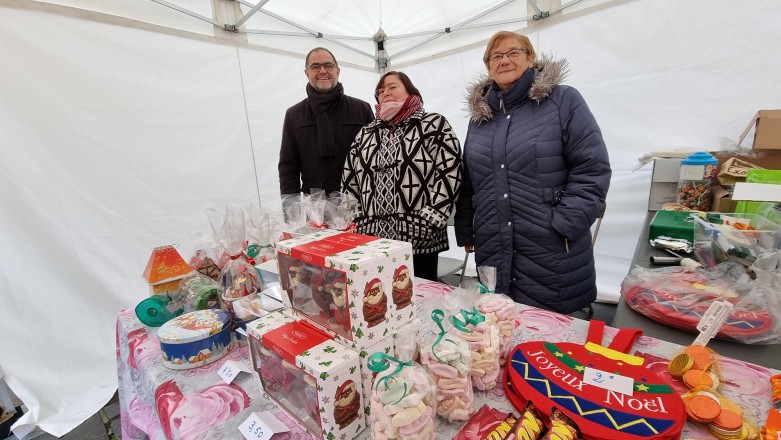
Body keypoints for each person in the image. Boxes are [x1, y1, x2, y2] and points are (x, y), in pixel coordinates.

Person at [454, 31, 611, 314]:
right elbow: (470, 180)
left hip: (551, 247)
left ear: (531, 57)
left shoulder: (562, 100)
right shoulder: (480, 119)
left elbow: (592, 167)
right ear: (488, 65)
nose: (505, 60)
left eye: (514, 52)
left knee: (555, 345)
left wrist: (565, 223)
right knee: (498, 335)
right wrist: (467, 229)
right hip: (492, 241)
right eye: (496, 56)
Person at [342, 71, 463, 281]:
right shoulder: (366, 133)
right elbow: (349, 178)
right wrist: (355, 219)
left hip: (419, 236)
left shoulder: (433, 124)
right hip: (372, 239)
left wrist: (430, 220)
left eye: (392, 87)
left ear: (410, 91)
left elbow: (451, 171)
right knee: (377, 298)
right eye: (380, 90)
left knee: (419, 299)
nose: (385, 92)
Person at [278, 47, 374, 196]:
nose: (322, 71)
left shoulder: (361, 109)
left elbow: (375, 158)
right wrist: (292, 213)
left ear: (338, 71)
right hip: (316, 208)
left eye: (328, 65)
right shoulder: (294, 115)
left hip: (358, 201)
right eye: (315, 67)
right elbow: (288, 168)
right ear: (306, 73)